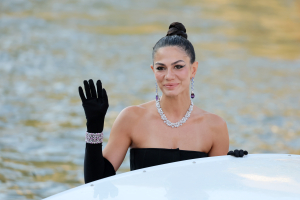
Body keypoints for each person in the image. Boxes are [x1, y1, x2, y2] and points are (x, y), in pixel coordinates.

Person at [78, 22, 247, 184]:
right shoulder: (131, 118)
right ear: (153, 70)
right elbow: (95, 183)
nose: (169, 76)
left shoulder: (215, 127)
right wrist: (94, 127)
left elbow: (215, 189)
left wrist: (234, 169)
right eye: (161, 68)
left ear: (193, 69)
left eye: (178, 67)